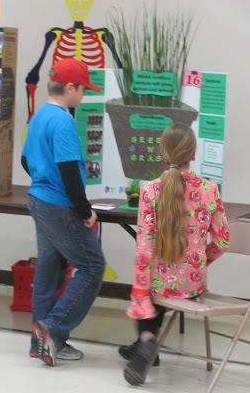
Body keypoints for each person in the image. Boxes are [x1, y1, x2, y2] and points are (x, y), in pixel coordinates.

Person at [122, 123, 230, 385]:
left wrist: (140, 288)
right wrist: (202, 260)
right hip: (192, 283)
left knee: (148, 289)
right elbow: (223, 241)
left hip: (160, 283)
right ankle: (144, 346)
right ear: (193, 154)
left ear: (163, 153)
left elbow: (145, 249)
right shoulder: (210, 189)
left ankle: (146, 340)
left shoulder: (150, 191)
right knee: (162, 287)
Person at [21, 58, 105, 367]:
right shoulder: (63, 121)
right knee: (93, 267)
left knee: (49, 270)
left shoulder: (39, 116)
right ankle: (52, 330)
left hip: (39, 201)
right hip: (60, 206)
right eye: (83, 90)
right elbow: (70, 172)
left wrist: (43, 181)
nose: (83, 96)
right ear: (70, 88)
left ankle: (40, 345)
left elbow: (25, 161)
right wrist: (85, 211)